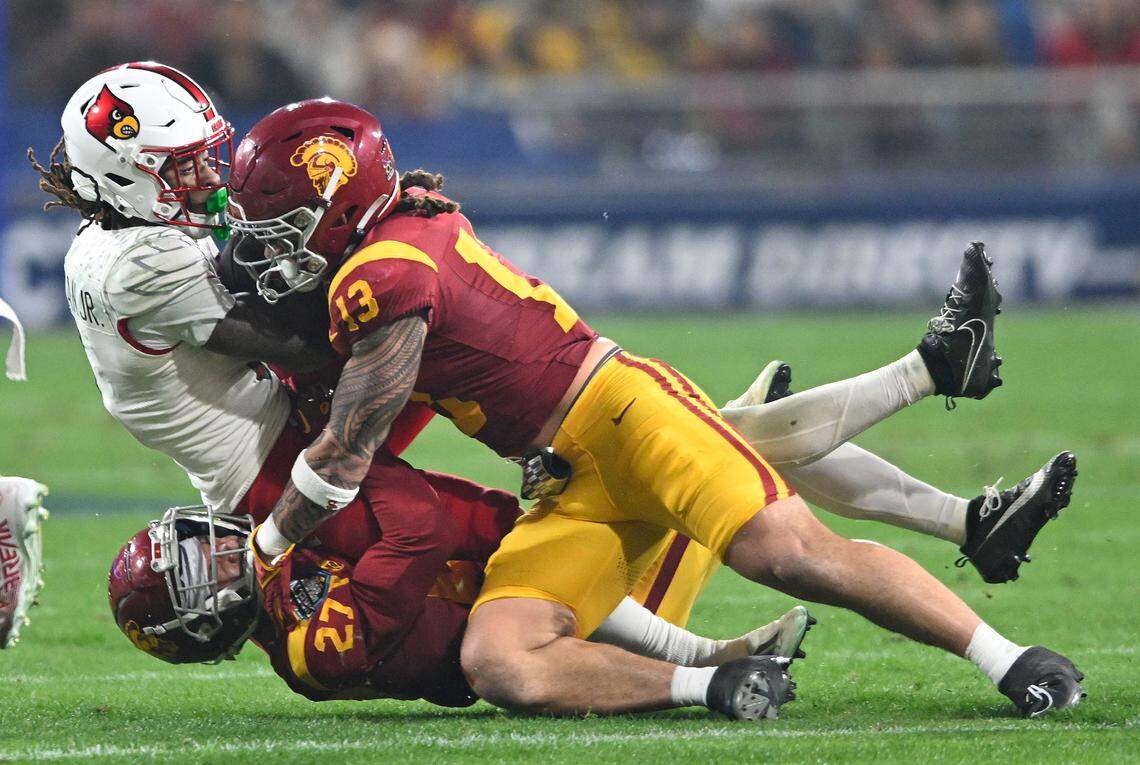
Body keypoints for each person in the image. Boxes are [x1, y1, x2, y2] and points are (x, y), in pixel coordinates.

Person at [227, 98, 1084, 720]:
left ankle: (1008, 658)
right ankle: (712, 684)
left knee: (788, 551)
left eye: (283, 224)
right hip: (569, 476)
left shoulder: (378, 276)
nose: (271, 247)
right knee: (499, 657)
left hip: (625, 412)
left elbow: (347, 451)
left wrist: (263, 548)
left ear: (336, 202)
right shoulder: (395, 241)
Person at [108, 504, 813, 716]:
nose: (220, 547)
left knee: (702, 497)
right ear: (200, 625)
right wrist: (348, 456)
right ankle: (710, 670)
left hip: (524, 580)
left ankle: (712, 658)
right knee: (511, 660)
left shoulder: (278, 570)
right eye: (201, 569)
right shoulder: (309, 647)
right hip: (526, 622)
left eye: (200, 544)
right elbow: (419, 532)